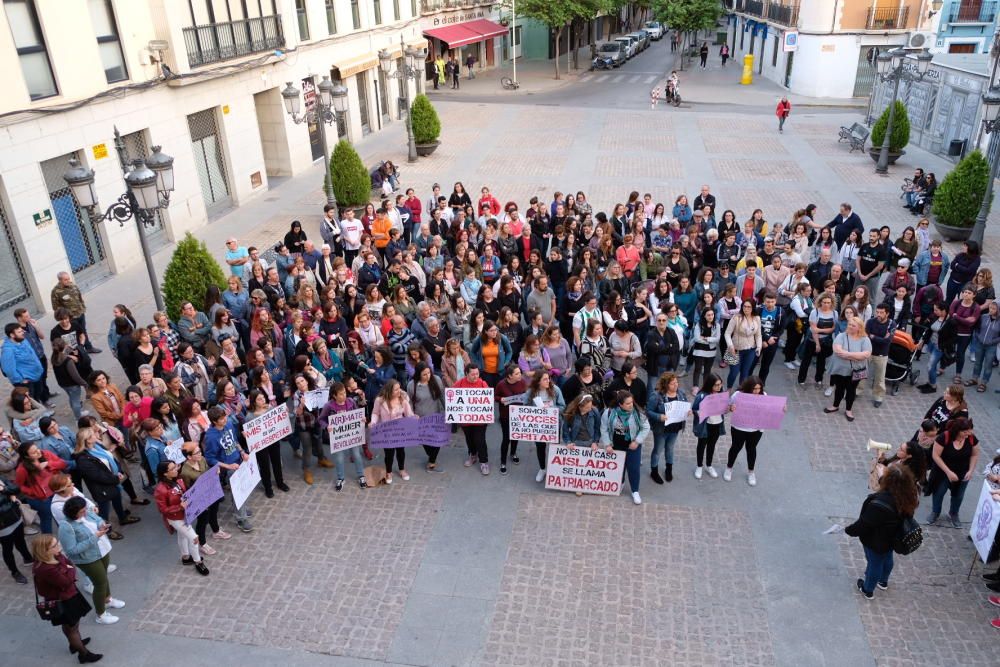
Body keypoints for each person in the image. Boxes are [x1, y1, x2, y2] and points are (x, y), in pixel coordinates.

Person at [844, 465, 919, 599]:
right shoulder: (909, 496)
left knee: (874, 564)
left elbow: (863, 524)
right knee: (887, 559)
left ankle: (868, 589)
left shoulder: (878, 504)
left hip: (876, 540)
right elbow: (893, 490)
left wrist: (848, 530)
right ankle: (883, 581)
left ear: (888, 481)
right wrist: (882, 477)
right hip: (893, 538)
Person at [31, 533, 104, 662]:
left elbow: (68, 562)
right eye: (55, 545)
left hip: (67, 595)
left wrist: (67, 567)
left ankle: (74, 644)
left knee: (70, 625)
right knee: (72, 627)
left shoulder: (55, 555)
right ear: (45, 550)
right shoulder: (46, 568)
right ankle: (83, 654)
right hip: (64, 600)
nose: (59, 545)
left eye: (57, 542)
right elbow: (66, 581)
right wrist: (69, 569)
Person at [57, 496, 124, 625]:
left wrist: (102, 524)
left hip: (101, 550)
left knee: (103, 577)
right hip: (87, 558)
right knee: (99, 584)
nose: (85, 512)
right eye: (82, 511)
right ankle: (101, 614)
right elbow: (71, 550)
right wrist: (94, 538)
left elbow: (97, 518)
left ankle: (108, 600)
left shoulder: (86, 513)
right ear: (73, 512)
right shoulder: (66, 527)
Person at [153, 461, 209, 575]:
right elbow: (163, 510)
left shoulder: (178, 480)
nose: (176, 470)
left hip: (184, 515)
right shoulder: (160, 490)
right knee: (194, 538)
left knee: (182, 536)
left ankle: (185, 557)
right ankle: (198, 562)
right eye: (173, 468)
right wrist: (179, 507)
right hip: (175, 518)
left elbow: (186, 492)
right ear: (165, 473)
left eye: (176, 467)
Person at [202, 407, 253, 532]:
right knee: (237, 492)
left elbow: (234, 440)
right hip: (228, 468)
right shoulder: (211, 437)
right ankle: (241, 518)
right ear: (214, 421)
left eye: (224, 416)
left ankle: (241, 508)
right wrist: (228, 466)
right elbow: (210, 458)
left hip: (238, 461)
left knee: (243, 488)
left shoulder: (229, 424)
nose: (225, 420)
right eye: (221, 419)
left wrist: (242, 452)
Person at [927, 417, 979, 528]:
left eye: (970, 430)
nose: (969, 433)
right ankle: (935, 512)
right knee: (939, 492)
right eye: (965, 431)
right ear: (957, 430)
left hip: (962, 472)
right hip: (942, 471)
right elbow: (935, 456)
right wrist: (948, 472)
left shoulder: (971, 439)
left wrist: (970, 470)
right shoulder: (944, 437)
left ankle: (954, 513)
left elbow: (974, 455)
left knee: (959, 495)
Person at [179, 442, 229, 556]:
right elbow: (187, 489)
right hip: (199, 500)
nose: (200, 454)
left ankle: (216, 531)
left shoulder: (202, 460)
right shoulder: (185, 472)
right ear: (189, 457)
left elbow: (207, 471)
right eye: (197, 453)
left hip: (210, 493)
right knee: (202, 520)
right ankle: (202, 543)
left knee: (214, 512)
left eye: (200, 451)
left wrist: (215, 471)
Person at [600, 390, 650, 506]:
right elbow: (604, 429)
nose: (631, 405)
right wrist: (607, 443)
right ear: (620, 404)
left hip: (632, 446)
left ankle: (635, 491)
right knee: (619, 467)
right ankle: (619, 483)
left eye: (631, 402)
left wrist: (637, 441)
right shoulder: (608, 413)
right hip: (616, 445)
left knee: (634, 469)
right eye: (628, 403)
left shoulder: (638, 413)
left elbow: (646, 428)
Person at [317, 383, 369, 488]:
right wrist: (327, 426)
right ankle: (341, 478)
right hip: (338, 438)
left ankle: (361, 476)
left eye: (345, 392)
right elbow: (321, 419)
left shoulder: (351, 402)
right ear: (334, 396)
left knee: (357, 455)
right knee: (339, 458)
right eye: (341, 394)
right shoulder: (328, 406)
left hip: (352, 435)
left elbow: (357, 413)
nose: (344, 396)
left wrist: (362, 418)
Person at [724, 376, 770, 486]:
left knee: (751, 449)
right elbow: (727, 407)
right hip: (739, 427)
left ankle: (751, 472)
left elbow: (769, 410)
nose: (757, 391)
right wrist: (731, 408)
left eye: (759, 388)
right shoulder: (738, 395)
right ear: (749, 387)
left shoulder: (764, 396)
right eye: (754, 389)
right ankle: (729, 468)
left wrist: (780, 409)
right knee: (735, 447)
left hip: (756, 429)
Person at [824, 316, 872, 421]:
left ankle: (848, 410)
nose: (850, 327)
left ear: (859, 327)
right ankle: (835, 406)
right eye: (849, 324)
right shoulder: (841, 336)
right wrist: (855, 356)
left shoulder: (865, 339)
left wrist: (847, 354)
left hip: (855, 371)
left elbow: (866, 354)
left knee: (851, 390)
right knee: (839, 388)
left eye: (853, 325)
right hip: (840, 369)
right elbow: (837, 350)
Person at [646, 372, 688, 484]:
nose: (676, 385)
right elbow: (648, 411)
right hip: (661, 429)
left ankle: (669, 469)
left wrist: (687, 412)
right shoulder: (656, 396)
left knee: (670, 449)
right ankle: (654, 471)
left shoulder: (681, 393)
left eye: (676, 383)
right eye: (672, 383)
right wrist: (659, 417)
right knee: (658, 450)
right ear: (666, 385)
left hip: (675, 428)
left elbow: (685, 406)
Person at [15, 441, 66, 534]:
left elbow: (62, 463)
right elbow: (19, 486)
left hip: (56, 491)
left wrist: (48, 464)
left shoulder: (45, 454)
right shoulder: (22, 469)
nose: (38, 452)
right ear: (27, 456)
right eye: (34, 452)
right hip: (41, 499)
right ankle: (48, 544)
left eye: (37, 448)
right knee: (46, 520)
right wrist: (33, 492)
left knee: (62, 516)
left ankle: (66, 536)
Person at [370, 379, 414, 483]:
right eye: (396, 390)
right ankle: (388, 472)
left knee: (400, 451)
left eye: (399, 389)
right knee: (389, 454)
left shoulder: (403, 400)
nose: (399, 391)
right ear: (389, 391)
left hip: (399, 432)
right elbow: (375, 413)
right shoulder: (379, 401)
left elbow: (409, 414)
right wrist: (373, 422)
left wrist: (415, 420)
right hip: (386, 433)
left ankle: (402, 469)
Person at [524, 371, 565, 483]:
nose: (548, 381)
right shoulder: (531, 392)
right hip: (538, 426)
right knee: (540, 448)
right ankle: (542, 469)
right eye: (545, 379)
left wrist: (551, 409)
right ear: (538, 381)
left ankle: (554, 470)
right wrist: (535, 410)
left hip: (553, 425)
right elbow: (525, 407)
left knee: (554, 447)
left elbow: (562, 407)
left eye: (549, 378)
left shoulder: (555, 389)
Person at [405, 367, 446, 474]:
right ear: (419, 375)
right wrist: (411, 415)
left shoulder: (436, 379)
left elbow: (442, 396)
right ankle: (431, 456)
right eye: (424, 374)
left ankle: (431, 462)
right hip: (421, 418)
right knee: (425, 441)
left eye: (429, 373)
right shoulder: (411, 385)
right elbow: (407, 401)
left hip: (436, 416)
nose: (428, 376)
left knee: (437, 440)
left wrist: (450, 409)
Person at [50, 272, 101, 354]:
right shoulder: (56, 291)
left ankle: (88, 347)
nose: (68, 280)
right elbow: (56, 307)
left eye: (68, 278)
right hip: (70, 318)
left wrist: (83, 307)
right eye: (65, 279)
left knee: (83, 331)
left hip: (80, 313)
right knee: (74, 335)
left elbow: (79, 297)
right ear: (60, 280)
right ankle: (78, 351)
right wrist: (64, 318)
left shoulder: (72, 285)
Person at [691, 373, 725, 479]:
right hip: (706, 425)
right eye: (716, 385)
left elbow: (724, 409)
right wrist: (702, 411)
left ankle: (709, 465)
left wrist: (728, 408)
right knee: (701, 445)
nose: (719, 387)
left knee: (712, 445)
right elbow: (694, 408)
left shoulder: (721, 393)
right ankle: (699, 466)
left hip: (717, 423)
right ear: (710, 385)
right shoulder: (702, 395)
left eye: (720, 384)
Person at [724, 299, 762, 389]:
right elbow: (727, 333)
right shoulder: (736, 317)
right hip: (735, 349)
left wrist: (759, 346)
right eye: (744, 306)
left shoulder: (756, 318)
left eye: (749, 307)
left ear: (753, 308)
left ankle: (741, 391)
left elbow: (758, 335)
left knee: (745, 372)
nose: (746, 309)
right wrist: (730, 345)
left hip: (750, 350)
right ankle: (729, 389)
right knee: (734, 372)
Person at [2, 322, 45, 401]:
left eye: (22, 330)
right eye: (19, 332)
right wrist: (21, 380)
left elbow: (33, 354)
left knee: (38, 394)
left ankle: (40, 409)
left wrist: (39, 367)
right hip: (26, 382)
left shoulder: (23, 340)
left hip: (36, 375)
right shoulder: (7, 350)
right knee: (30, 400)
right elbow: (8, 370)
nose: (23, 333)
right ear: (12, 335)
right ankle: (37, 413)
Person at [0, 476, 32, 583]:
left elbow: (16, 488)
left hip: (16, 517)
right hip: (3, 525)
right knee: (8, 549)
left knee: (21, 540)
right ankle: (15, 572)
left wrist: (4, 490)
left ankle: (28, 558)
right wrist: (11, 499)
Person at [969, 301, 1000, 392]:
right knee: (977, 362)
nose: (991, 310)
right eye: (990, 308)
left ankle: (983, 383)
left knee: (988, 365)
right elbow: (976, 328)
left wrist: (992, 341)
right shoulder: (983, 317)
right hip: (980, 344)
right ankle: (974, 379)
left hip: (991, 346)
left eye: (994, 309)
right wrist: (978, 337)